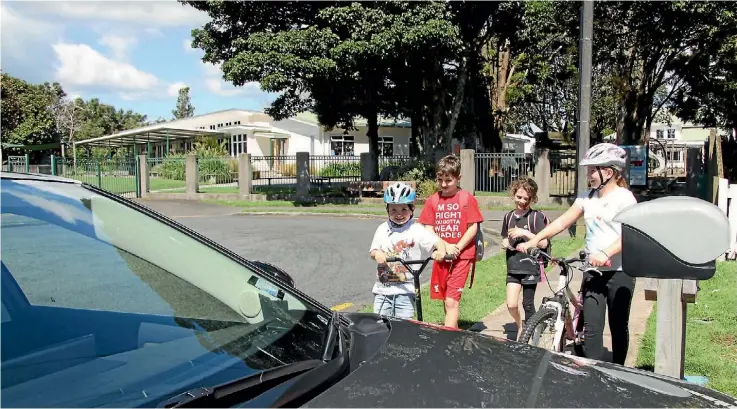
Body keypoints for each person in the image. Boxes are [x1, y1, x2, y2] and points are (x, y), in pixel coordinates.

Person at [516, 143, 637, 365]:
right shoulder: (587, 197)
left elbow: (629, 235)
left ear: (608, 172)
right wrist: (534, 239)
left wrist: (605, 252)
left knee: (618, 326)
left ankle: (620, 373)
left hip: (620, 272)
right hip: (593, 272)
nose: (588, 174)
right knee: (591, 329)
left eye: (592, 170)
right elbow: (562, 221)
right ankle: (592, 376)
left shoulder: (625, 198)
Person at [418, 154, 484, 329]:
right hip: (441, 255)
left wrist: (457, 247)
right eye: (440, 180)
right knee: (444, 297)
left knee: (451, 301)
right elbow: (428, 227)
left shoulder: (467, 198)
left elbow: (473, 227)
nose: (443, 184)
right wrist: (445, 245)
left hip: (462, 256)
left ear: (458, 178)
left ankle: (448, 341)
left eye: (448, 180)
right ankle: (452, 329)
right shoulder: (433, 200)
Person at [369, 182, 449, 319]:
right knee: (379, 326)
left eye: (404, 210)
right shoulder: (382, 229)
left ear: (412, 209)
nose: (399, 214)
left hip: (406, 290)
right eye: (393, 210)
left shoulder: (416, 229)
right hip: (383, 291)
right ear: (387, 210)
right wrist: (378, 254)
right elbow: (374, 250)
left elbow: (437, 242)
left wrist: (439, 251)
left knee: (404, 327)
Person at [501, 177, 550, 339]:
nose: (522, 201)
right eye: (519, 197)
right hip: (513, 266)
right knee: (511, 304)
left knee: (527, 304)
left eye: (526, 199)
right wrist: (505, 243)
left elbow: (543, 243)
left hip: (531, 267)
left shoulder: (535, 217)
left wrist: (524, 233)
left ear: (532, 199)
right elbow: (505, 238)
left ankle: (531, 336)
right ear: (513, 194)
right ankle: (521, 326)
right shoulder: (508, 217)